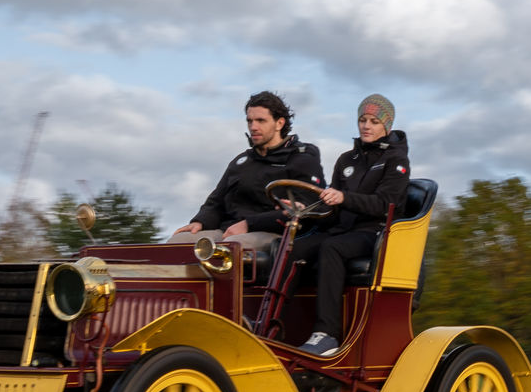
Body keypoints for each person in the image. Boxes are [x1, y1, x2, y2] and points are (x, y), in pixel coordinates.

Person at [274, 94, 411, 357]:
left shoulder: (396, 161)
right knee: (292, 248)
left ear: (387, 127)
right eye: (362, 120)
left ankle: (327, 334)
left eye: (373, 121)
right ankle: (276, 324)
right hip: (342, 230)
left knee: (331, 248)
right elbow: (332, 209)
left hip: (374, 233)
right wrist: (308, 211)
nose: (366, 126)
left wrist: (344, 197)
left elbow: (386, 205)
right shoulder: (346, 160)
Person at [171, 92, 323, 242]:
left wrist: (249, 224)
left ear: (279, 123)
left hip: (272, 233)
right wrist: (200, 222)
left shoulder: (302, 158)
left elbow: (306, 208)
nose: (253, 127)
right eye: (250, 121)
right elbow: (216, 202)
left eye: (260, 121)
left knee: (231, 248)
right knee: (179, 242)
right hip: (228, 229)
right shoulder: (242, 162)